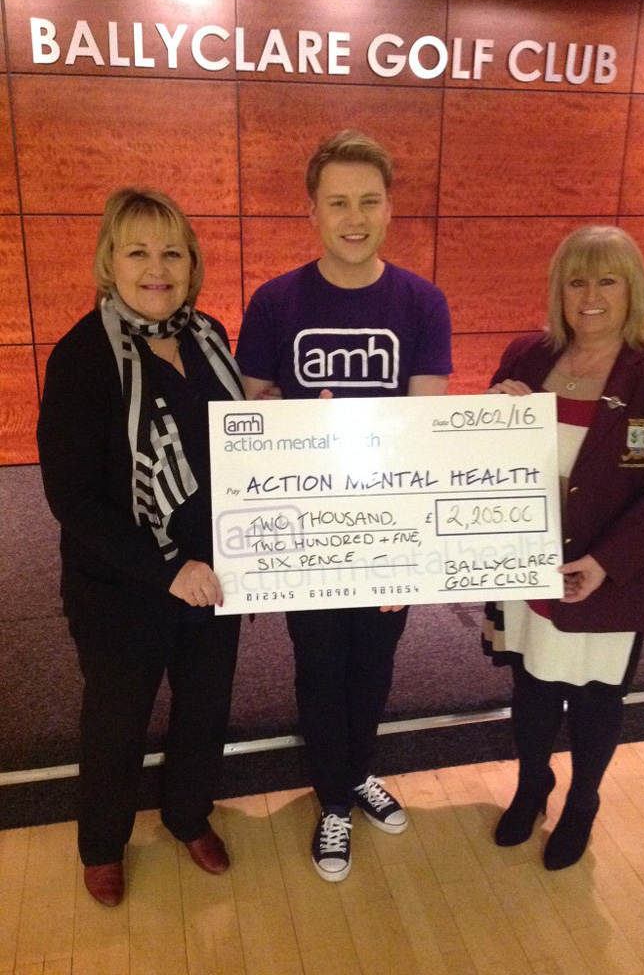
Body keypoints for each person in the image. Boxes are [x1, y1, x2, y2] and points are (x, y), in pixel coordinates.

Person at [236, 129, 452, 880]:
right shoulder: (274, 302)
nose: (353, 217)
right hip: (305, 533)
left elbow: (423, 427)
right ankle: (332, 799)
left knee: (375, 665)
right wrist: (305, 422)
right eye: (337, 203)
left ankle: (356, 769)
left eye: (368, 201)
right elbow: (251, 420)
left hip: (387, 535)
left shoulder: (423, 302)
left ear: (389, 209)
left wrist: (412, 554)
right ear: (313, 213)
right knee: (318, 666)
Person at [37, 188, 245, 906]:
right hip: (123, 586)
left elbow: (239, 442)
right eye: (138, 251)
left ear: (191, 263)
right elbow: (72, 498)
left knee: (205, 708)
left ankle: (188, 815)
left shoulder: (211, 338)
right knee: (117, 722)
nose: (156, 268)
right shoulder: (82, 358)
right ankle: (101, 843)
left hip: (216, 576)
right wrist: (166, 569)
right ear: (109, 262)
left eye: (171, 251)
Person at [482, 225, 644, 870]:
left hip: (605, 575)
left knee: (593, 697)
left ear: (631, 287)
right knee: (528, 686)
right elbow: (483, 455)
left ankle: (582, 800)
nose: (590, 294)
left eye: (606, 279)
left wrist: (605, 563)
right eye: (576, 279)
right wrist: (494, 409)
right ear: (559, 289)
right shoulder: (527, 354)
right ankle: (532, 787)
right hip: (524, 565)